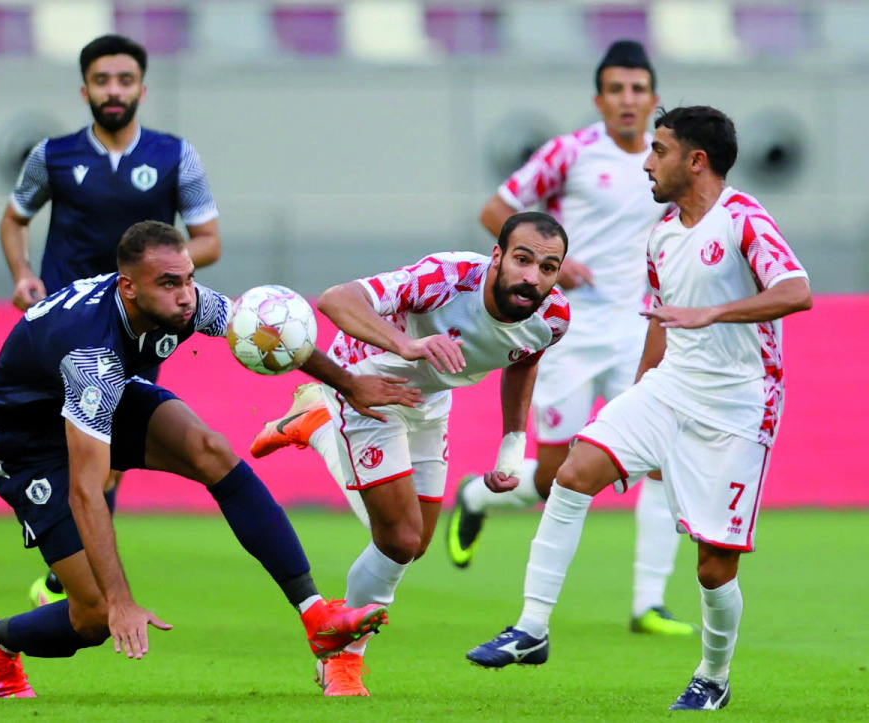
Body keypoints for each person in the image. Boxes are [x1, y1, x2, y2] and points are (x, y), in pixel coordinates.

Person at [0, 220, 422, 698]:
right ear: (129, 288)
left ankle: (316, 616)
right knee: (95, 616)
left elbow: (266, 331)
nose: (186, 296)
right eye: (169, 284)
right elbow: (86, 490)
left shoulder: (189, 304)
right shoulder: (89, 354)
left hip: (99, 401)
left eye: (188, 279)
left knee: (211, 451)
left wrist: (349, 384)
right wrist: (122, 600)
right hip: (24, 443)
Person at [465, 106, 811, 712]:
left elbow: (796, 291)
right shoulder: (662, 234)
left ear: (695, 161)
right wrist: (636, 399)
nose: (647, 163)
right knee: (573, 472)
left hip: (737, 406)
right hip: (670, 387)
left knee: (713, 569)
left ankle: (713, 676)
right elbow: (659, 322)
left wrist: (712, 313)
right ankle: (532, 628)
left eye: (659, 150)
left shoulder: (744, 220)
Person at [250, 212, 572, 696]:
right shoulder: (445, 278)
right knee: (398, 541)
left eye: (548, 268)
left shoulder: (553, 316)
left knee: (414, 542)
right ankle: (342, 659)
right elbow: (336, 300)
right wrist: (407, 344)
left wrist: (512, 445)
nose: (533, 277)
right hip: (367, 381)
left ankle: (315, 424)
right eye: (522, 260)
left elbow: (523, 360)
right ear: (497, 256)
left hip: (429, 397)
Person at [443, 40, 695, 636]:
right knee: (558, 474)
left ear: (654, 99)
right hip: (568, 333)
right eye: (616, 89)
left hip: (636, 332)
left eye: (638, 89)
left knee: (662, 457)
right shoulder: (571, 153)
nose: (628, 100)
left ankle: (649, 603)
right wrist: (556, 265)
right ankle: (478, 497)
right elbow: (496, 210)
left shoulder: (668, 162)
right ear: (599, 99)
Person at [0, 34, 221, 607]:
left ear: (142, 89)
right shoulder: (51, 156)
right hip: (64, 333)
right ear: (85, 90)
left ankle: (69, 576)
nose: (113, 90)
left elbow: (208, 239)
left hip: (137, 331)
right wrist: (22, 274)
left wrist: (162, 275)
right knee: (68, 449)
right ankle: (67, 566)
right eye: (102, 81)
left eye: (125, 80)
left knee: (108, 460)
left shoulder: (176, 156)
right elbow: (13, 219)